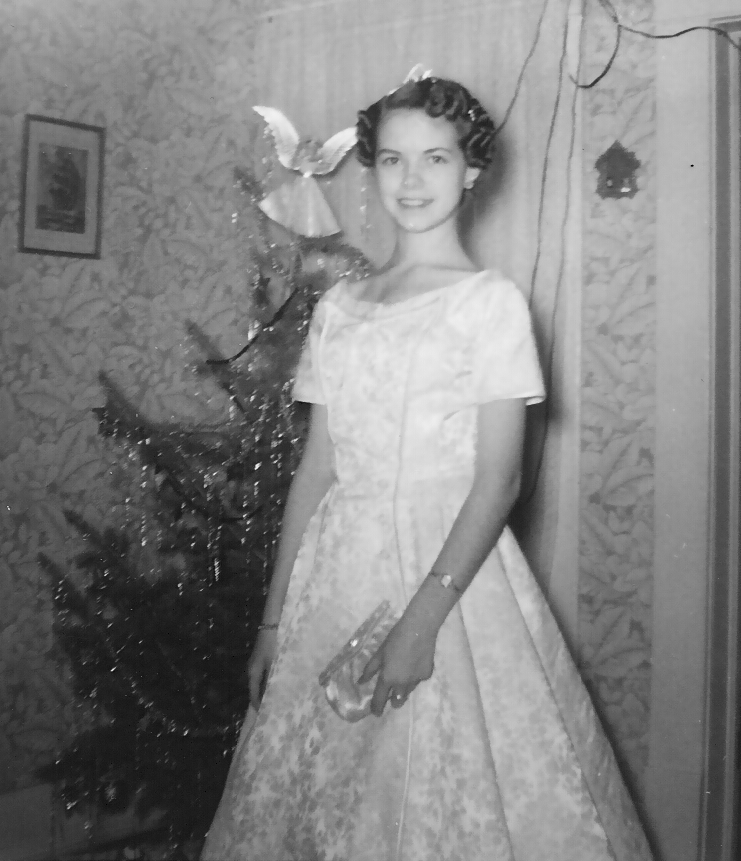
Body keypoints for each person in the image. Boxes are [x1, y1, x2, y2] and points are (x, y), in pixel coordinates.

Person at [201, 75, 652, 861]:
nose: (411, 180)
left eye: (435, 158)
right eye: (393, 159)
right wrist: (272, 623)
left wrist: (419, 624)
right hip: (337, 576)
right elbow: (316, 470)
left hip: (449, 581)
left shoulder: (491, 304)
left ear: (471, 170)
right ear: (372, 167)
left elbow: (500, 480)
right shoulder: (338, 308)